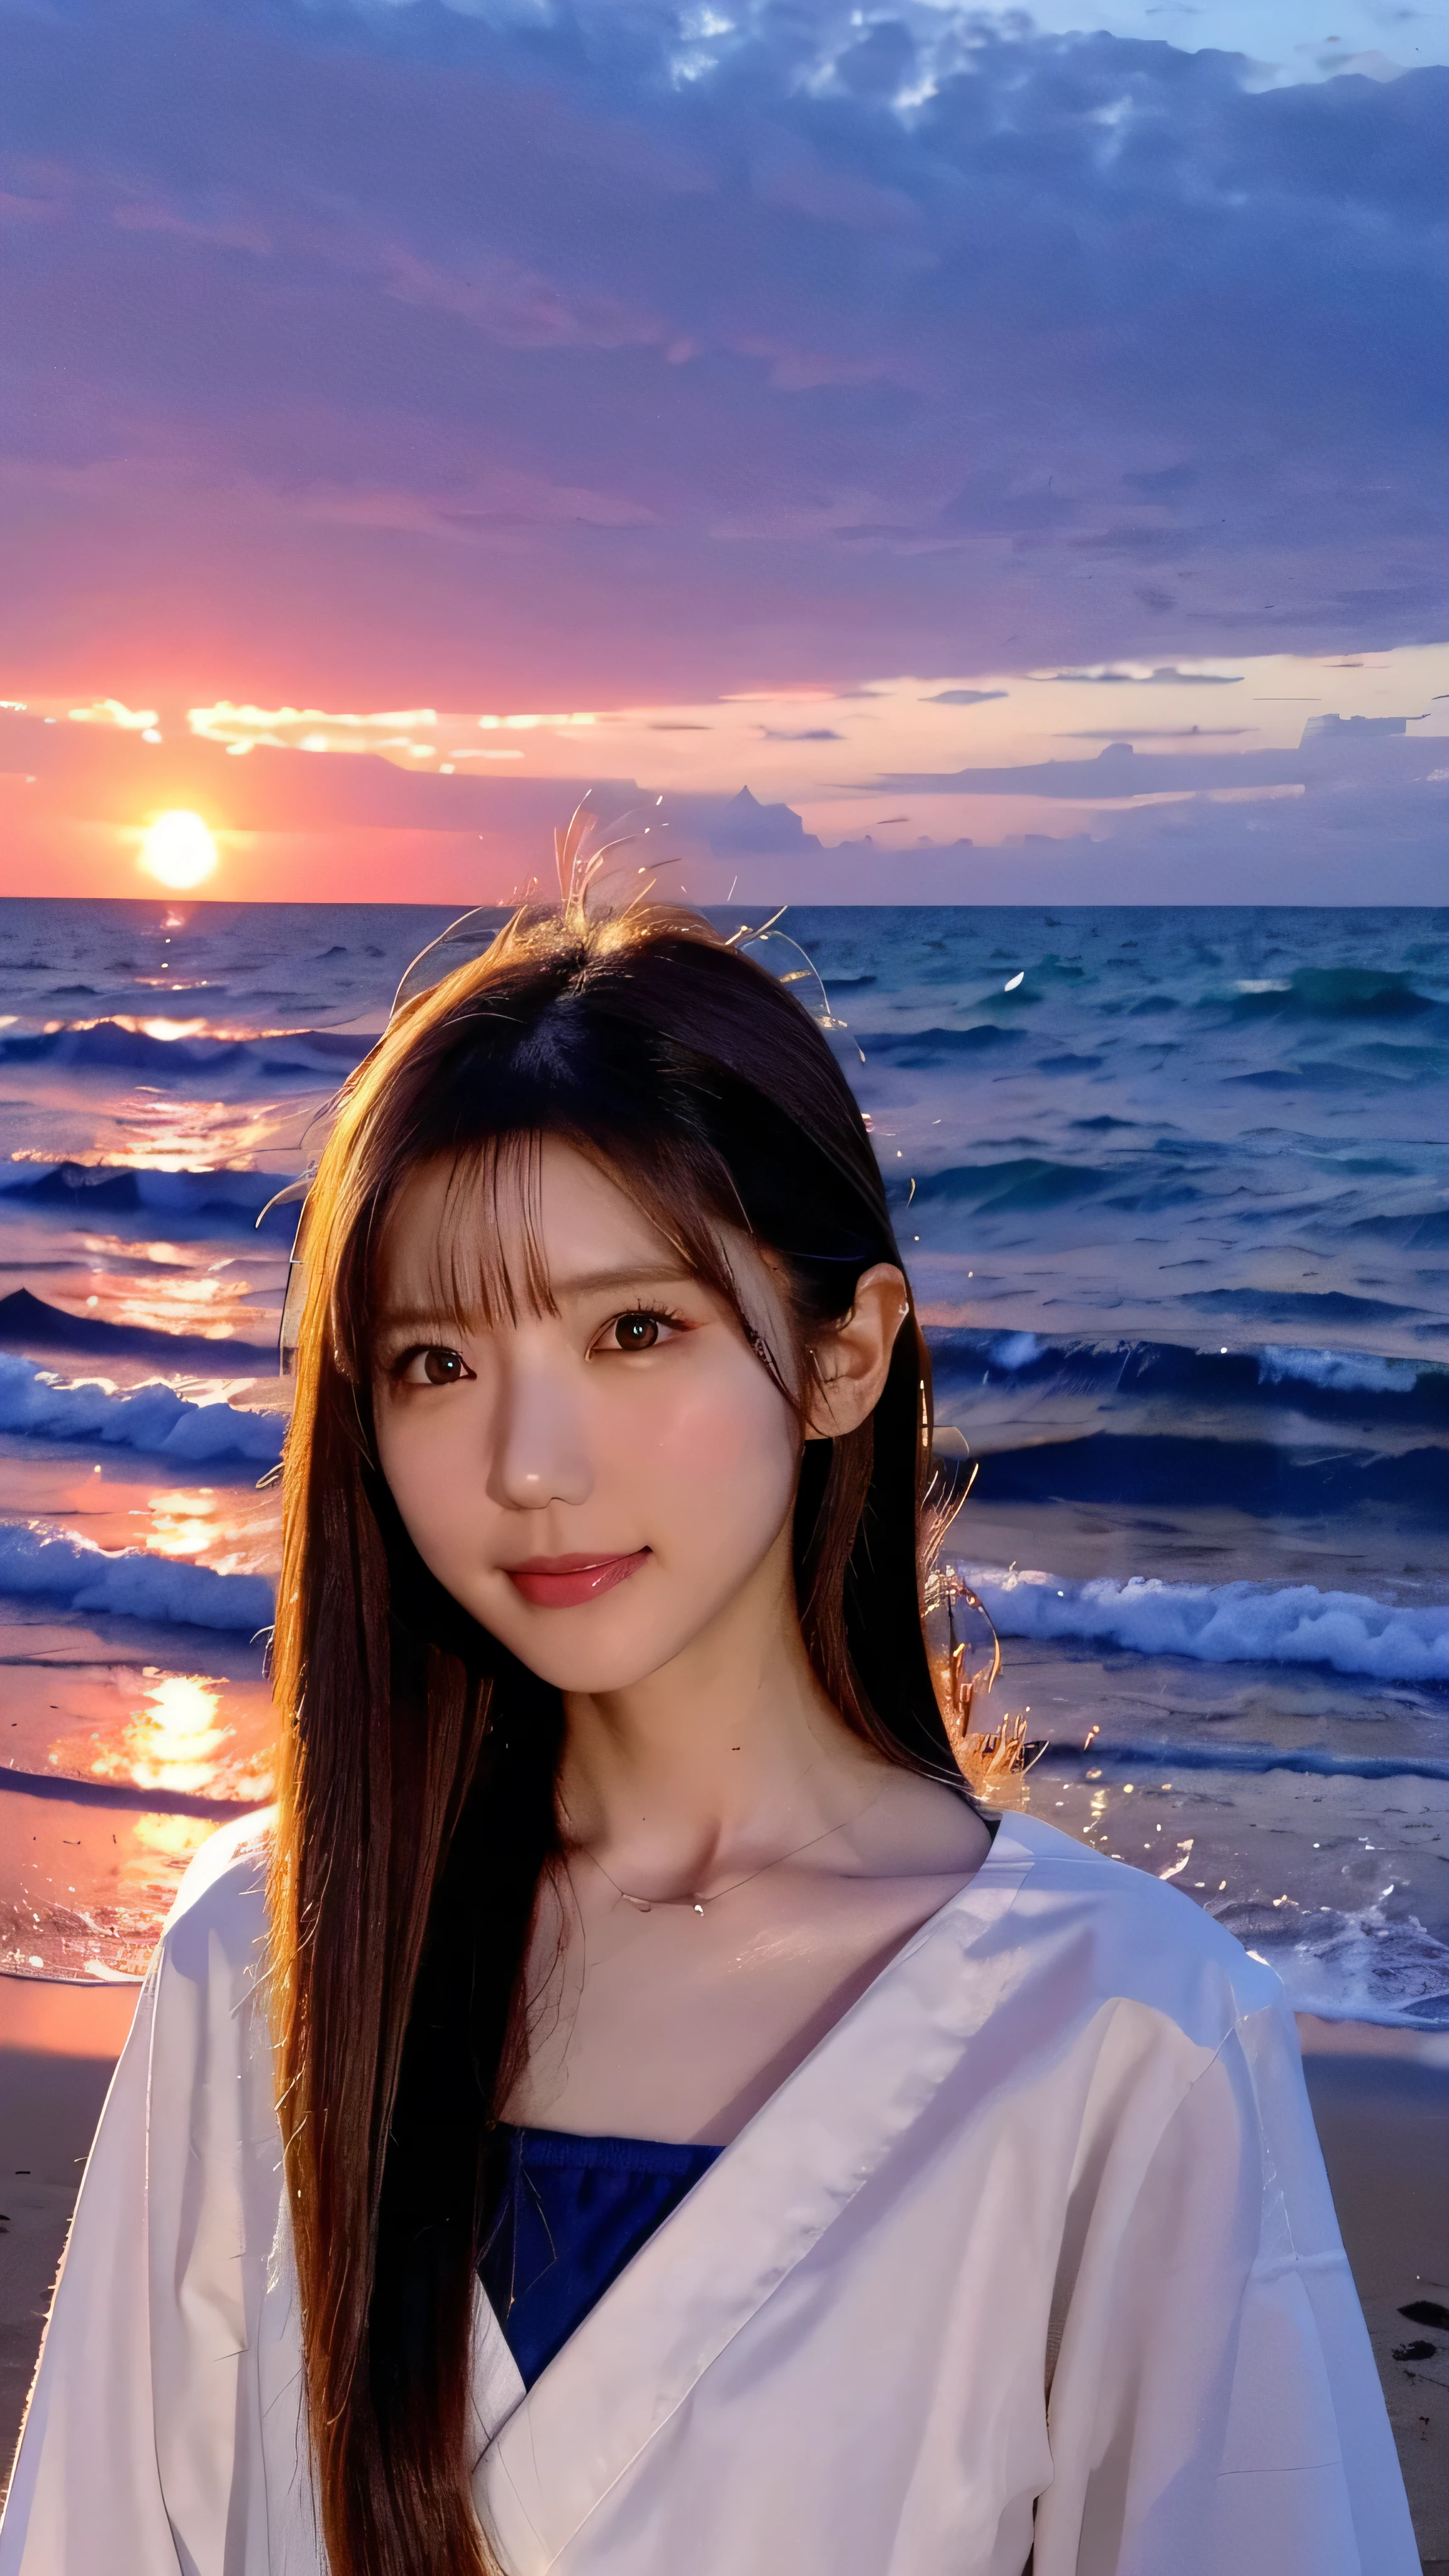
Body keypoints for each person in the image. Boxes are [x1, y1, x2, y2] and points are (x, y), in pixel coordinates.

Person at [0, 880, 1418, 2576]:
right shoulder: (264, 1958)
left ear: (845, 1356)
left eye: (635, 1331)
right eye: (435, 1361)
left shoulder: (1125, 2032)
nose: (531, 1464)